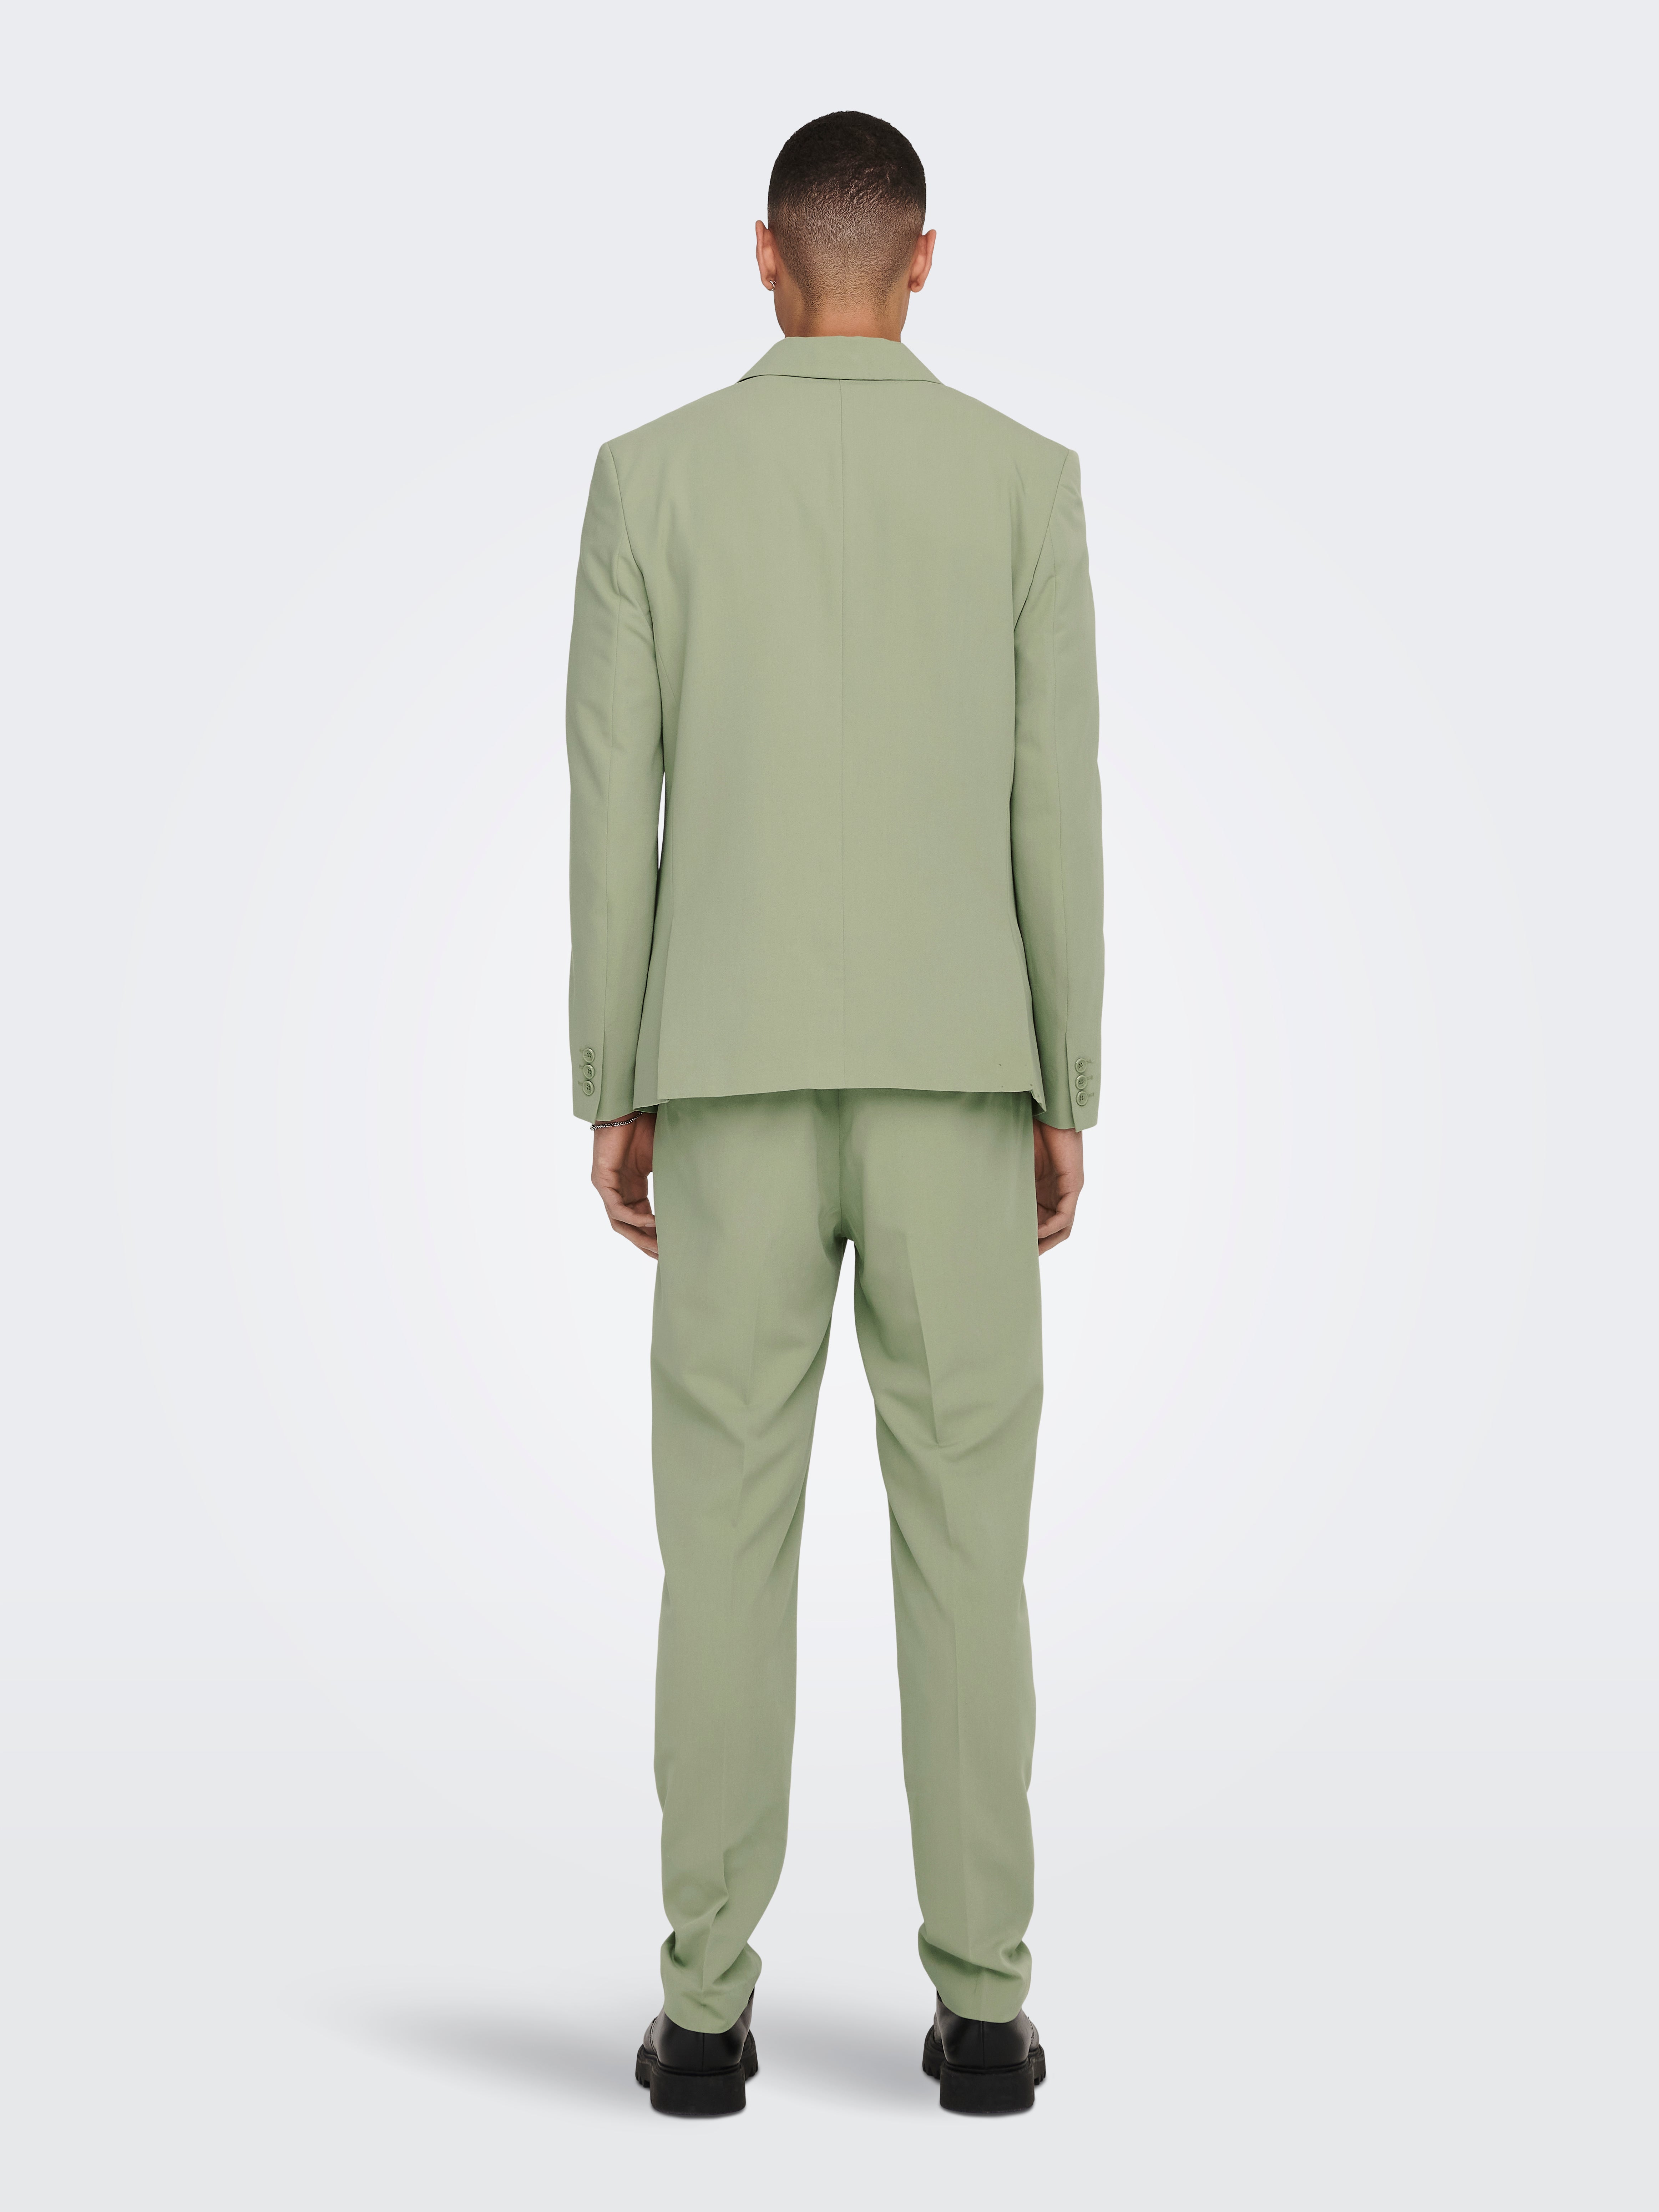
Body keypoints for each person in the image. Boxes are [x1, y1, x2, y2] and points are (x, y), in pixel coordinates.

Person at [567, 110, 1101, 2117]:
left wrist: (614, 1074)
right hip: (963, 1068)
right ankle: (985, 2016)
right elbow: (1057, 801)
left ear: (768, 257)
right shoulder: (1025, 484)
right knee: (970, 1544)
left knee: (723, 1541)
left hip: (724, 1069)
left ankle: (706, 2015)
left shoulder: (651, 480)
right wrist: (1067, 1077)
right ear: (925, 261)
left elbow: (609, 805)